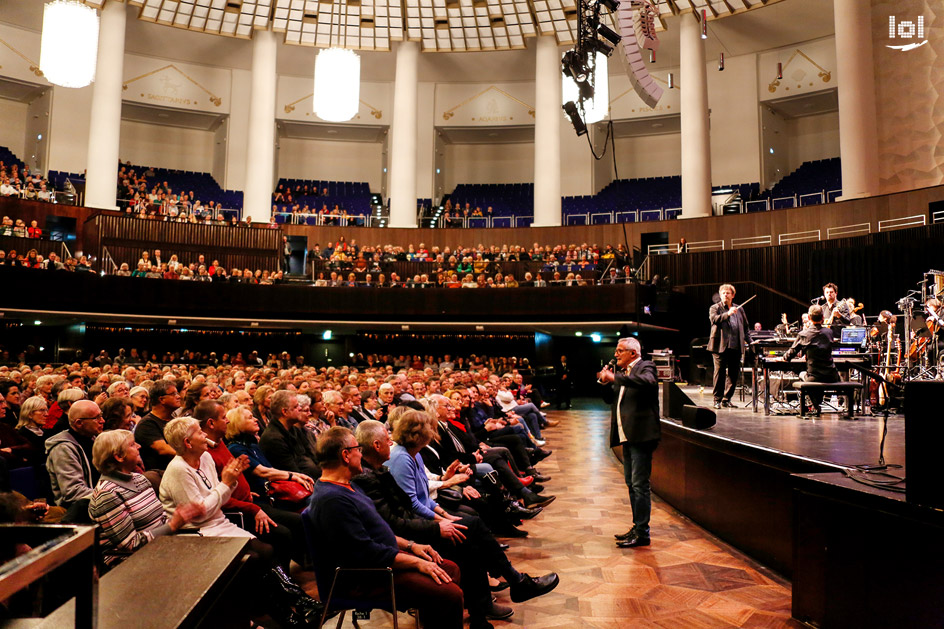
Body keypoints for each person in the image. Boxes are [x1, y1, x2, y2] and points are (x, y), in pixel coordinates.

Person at [305, 426, 465, 629]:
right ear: (346, 455)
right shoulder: (332, 500)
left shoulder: (348, 486)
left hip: (381, 563)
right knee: (449, 594)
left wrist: (411, 545)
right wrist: (415, 563)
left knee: (449, 569)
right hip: (364, 577)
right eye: (358, 449)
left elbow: (375, 531)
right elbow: (365, 552)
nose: (361, 454)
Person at [88, 430, 204, 569]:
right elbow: (131, 545)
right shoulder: (107, 495)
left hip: (161, 549)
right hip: (129, 564)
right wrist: (173, 525)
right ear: (119, 456)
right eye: (132, 444)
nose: (139, 446)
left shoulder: (139, 479)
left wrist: (179, 521)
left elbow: (160, 521)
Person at [597, 337, 660, 549]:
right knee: (631, 484)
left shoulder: (646, 366)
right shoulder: (624, 374)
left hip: (641, 436)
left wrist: (614, 378)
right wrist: (606, 383)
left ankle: (643, 533)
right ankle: (637, 526)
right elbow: (610, 400)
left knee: (640, 485)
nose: (616, 354)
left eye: (620, 351)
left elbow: (648, 382)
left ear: (633, 353)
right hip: (627, 436)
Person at [45, 400, 104, 522]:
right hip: (76, 510)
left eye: (101, 415)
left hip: (98, 501)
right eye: (96, 418)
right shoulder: (63, 448)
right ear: (79, 423)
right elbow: (73, 492)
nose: (102, 421)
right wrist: (111, 495)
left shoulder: (94, 439)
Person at [781, 305, 840, 416]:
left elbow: (789, 355)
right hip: (831, 375)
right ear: (822, 318)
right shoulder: (829, 333)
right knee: (817, 378)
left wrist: (783, 357)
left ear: (808, 317)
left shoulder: (804, 334)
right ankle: (816, 404)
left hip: (814, 376)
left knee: (803, 374)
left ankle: (813, 405)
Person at [707, 283, 750, 409]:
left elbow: (746, 328)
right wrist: (728, 314)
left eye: (728, 293)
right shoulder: (715, 308)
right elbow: (714, 319)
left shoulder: (740, 309)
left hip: (735, 345)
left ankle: (726, 399)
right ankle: (717, 399)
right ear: (720, 295)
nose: (725, 295)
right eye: (723, 293)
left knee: (733, 374)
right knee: (719, 373)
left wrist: (750, 341)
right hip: (719, 345)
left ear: (733, 295)